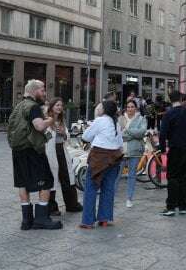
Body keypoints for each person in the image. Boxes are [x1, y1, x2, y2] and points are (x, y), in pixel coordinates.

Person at [7, 80, 62, 230]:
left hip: (18, 150)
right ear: (34, 91)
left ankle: (26, 220)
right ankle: (42, 218)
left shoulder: (18, 106)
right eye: (43, 90)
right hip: (32, 150)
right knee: (47, 181)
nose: (44, 93)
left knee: (22, 183)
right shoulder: (33, 106)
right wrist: (50, 120)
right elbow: (38, 126)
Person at [80, 100, 124, 228]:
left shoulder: (99, 120)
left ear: (103, 109)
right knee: (108, 188)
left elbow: (86, 136)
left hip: (99, 157)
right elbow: (120, 143)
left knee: (91, 187)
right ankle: (104, 218)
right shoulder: (116, 123)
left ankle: (88, 221)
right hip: (114, 157)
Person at [158, 91, 186, 216]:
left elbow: (163, 134)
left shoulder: (168, 114)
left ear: (170, 100)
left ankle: (171, 206)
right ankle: (183, 206)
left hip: (175, 148)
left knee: (173, 177)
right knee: (185, 176)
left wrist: (162, 149)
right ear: (181, 99)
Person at [44, 98, 82, 215]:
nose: (59, 107)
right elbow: (45, 136)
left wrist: (64, 134)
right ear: (51, 107)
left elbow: (67, 137)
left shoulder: (61, 121)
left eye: (61, 105)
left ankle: (72, 204)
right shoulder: (46, 120)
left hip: (61, 150)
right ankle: (51, 207)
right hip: (50, 151)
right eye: (57, 105)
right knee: (52, 178)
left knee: (67, 177)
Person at [119, 99, 147, 208]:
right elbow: (119, 133)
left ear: (136, 108)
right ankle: (111, 196)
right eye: (128, 107)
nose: (130, 109)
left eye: (132, 107)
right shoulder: (121, 119)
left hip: (134, 150)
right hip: (121, 151)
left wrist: (127, 131)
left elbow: (141, 132)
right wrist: (132, 134)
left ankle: (129, 198)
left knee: (132, 175)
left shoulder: (141, 119)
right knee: (117, 174)